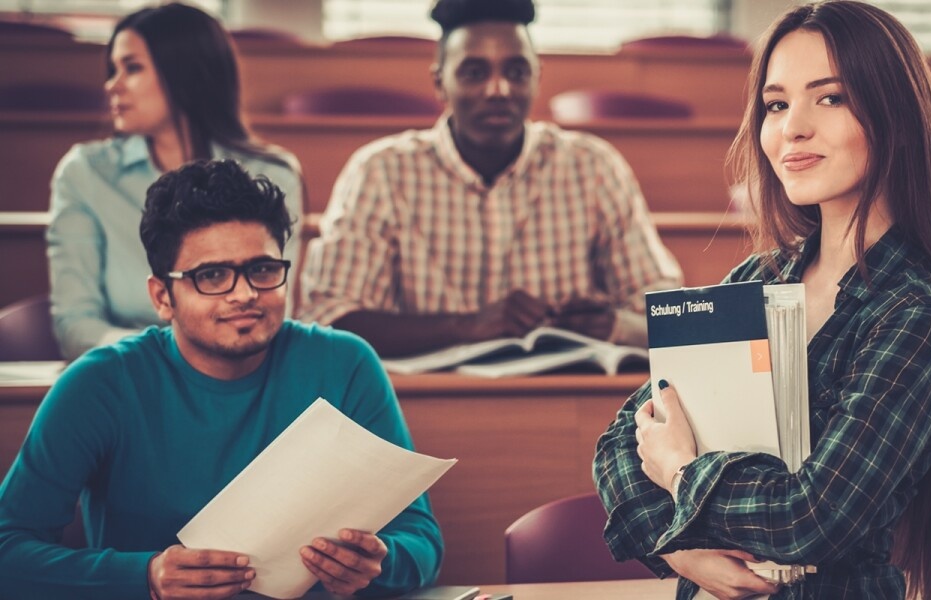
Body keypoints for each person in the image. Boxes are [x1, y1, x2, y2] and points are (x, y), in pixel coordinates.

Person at [593, 2, 931, 599]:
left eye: (830, 98)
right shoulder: (757, 277)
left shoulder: (920, 316)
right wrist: (684, 549)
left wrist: (679, 474)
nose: (792, 127)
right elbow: (623, 441)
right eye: (776, 105)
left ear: (895, 117)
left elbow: (813, 519)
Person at [0, 160, 441, 599]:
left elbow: (421, 539)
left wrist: (379, 563)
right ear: (162, 297)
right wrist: (145, 576)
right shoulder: (100, 384)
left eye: (263, 269)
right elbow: (8, 549)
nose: (246, 293)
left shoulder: (345, 363)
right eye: (212, 275)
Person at [298, 0, 682, 356]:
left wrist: (613, 324)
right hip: (427, 405)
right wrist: (467, 326)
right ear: (439, 83)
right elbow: (329, 314)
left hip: (563, 400)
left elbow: (668, 309)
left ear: (537, 77)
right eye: (474, 72)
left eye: (516, 72)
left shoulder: (594, 166)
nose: (498, 90)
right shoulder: (380, 172)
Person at [48, 2, 303, 361]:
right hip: (128, 374)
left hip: (239, 370)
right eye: (112, 70)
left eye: (132, 68)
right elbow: (76, 324)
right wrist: (166, 361)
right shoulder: (85, 173)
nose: (112, 86)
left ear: (184, 74)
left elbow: (274, 309)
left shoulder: (272, 174)